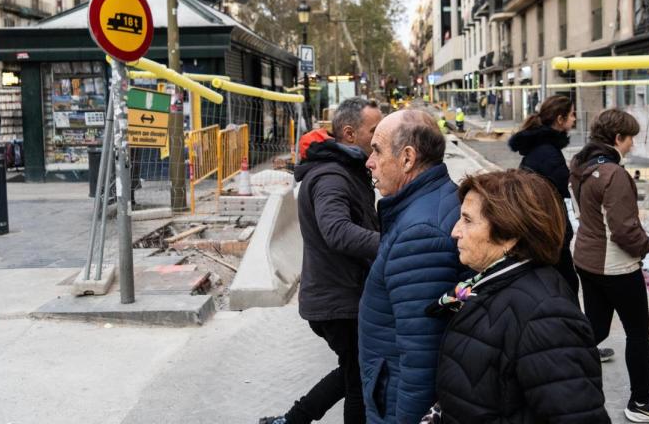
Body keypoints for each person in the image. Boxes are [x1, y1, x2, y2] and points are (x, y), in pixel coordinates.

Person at [425, 170, 611, 423]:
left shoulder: (547, 317)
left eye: (467, 220)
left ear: (510, 234)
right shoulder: (487, 285)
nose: (455, 231)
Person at [261, 98, 383, 424]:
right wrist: (392, 244)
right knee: (358, 379)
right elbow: (338, 232)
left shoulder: (348, 170)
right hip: (339, 301)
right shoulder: (332, 177)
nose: (381, 136)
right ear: (350, 134)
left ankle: (293, 420)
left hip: (340, 295)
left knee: (354, 369)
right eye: (375, 130)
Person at [570, 109, 649, 424]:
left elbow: (582, 213)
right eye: (631, 138)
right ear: (618, 138)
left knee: (597, 326)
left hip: (586, 259)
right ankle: (641, 402)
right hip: (617, 266)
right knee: (637, 333)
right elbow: (623, 230)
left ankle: (558, 366)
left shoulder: (579, 164)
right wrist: (645, 246)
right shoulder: (614, 174)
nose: (633, 144)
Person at [360, 109, 464, 424]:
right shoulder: (431, 202)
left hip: (395, 399)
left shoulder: (419, 233)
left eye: (377, 151)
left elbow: (421, 358)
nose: (369, 162)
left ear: (407, 158)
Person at [508, 95, 616, 365]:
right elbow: (565, 186)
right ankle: (577, 346)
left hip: (541, 227)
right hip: (548, 230)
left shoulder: (540, 147)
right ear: (559, 119)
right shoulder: (547, 151)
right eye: (571, 114)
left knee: (555, 286)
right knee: (566, 286)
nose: (575, 118)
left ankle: (567, 343)